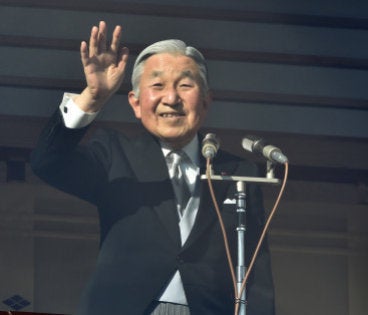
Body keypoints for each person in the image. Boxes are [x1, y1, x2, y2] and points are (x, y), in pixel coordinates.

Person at [30, 21, 275, 315]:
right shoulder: (114, 153)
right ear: (135, 103)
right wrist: (92, 98)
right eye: (157, 85)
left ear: (207, 101)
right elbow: (48, 162)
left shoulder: (238, 171)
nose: (171, 99)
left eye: (185, 85)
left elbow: (255, 269)